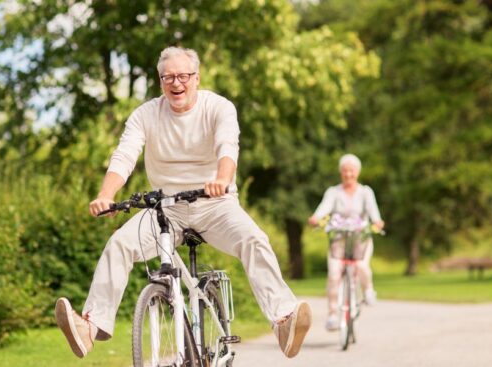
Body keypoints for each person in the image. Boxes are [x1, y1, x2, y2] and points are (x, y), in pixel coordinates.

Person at [54, 46, 312, 359]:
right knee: (119, 244)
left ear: (196, 78)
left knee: (254, 239)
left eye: (183, 76)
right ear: (160, 81)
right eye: (168, 78)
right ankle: (89, 328)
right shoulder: (146, 114)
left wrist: (222, 179)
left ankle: (283, 321)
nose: (176, 83)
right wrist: (106, 195)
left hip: (215, 204)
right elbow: (124, 156)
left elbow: (228, 146)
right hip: (165, 209)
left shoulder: (218, 107)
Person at [308, 154, 384, 331]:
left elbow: (374, 212)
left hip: (360, 238)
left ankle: (368, 290)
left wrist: (377, 222)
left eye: (352, 170)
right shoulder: (333, 192)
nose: (348, 174)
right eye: (345, 171)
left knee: (361, 266)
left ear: (357, 172)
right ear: (340, 172)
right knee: (334, 274)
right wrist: (316, 217)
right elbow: (324, 208)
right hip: (339, 239)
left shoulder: (366, 192)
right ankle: (333, 315)